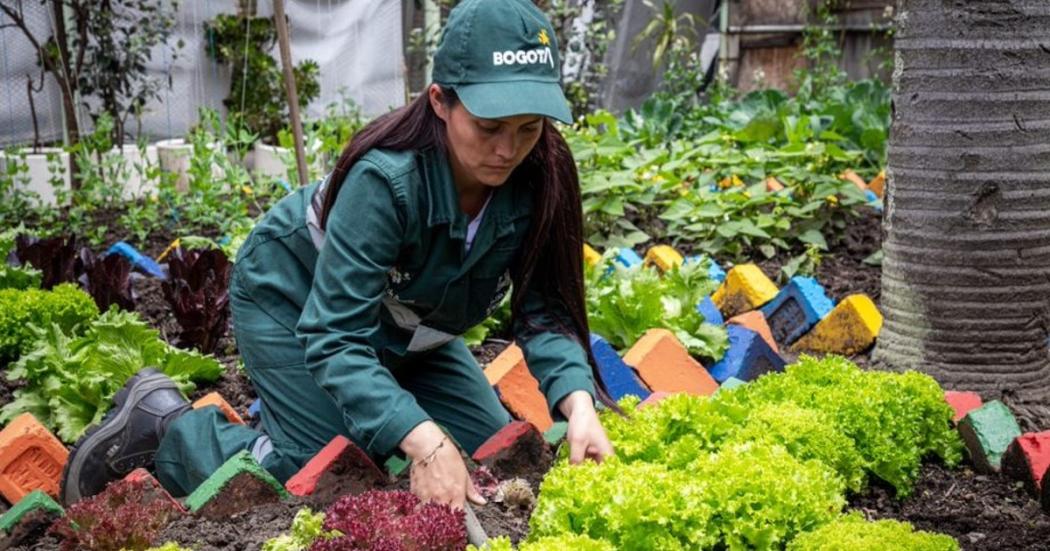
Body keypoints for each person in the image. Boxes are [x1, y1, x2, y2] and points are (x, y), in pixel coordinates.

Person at [60, 0, 616, 510]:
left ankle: (352, 413)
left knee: (486, 451)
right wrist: (420, 437)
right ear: (441, 102)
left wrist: (578, 404)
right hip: (296, 299)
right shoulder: (388, 181)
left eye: (528, 128)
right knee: (328, 472)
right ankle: (168, 430)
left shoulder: (541, 174)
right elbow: (335, 336)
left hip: (408, 325)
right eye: (489, 126)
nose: (506, 150)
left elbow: (547, 310)